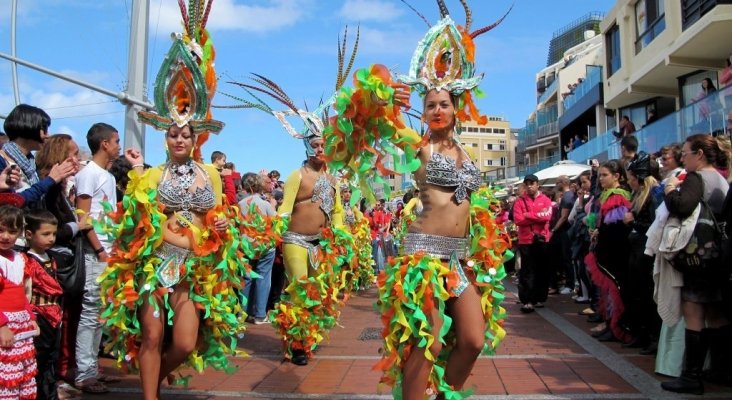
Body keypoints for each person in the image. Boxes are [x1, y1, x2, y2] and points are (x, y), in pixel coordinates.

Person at [324, 5, 511, 397]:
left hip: (459, 260)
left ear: (456, 108)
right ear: (423, 112)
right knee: (429, 344)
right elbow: (362, 115)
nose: (437, 110)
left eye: (444, 103)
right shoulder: (418, 145)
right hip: (423, 258)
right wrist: (383, 95)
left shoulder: (465, 152)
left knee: (474, 340)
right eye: (430, 105)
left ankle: (442, 395)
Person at [98, 6, 250, 399]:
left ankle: (154, 375)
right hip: (155, 266)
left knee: (182, 344)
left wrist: (219, 227)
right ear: (165, 136)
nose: (179, 140)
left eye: (185, 134)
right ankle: (150, 395)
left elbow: (217, 218)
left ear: (197, 134)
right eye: (172, 134)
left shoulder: (211, 174)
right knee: (151, 336)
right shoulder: (149, 176)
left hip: (194, 269)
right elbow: (133, 227)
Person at [224, 30, 358, 367]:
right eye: (313, 144)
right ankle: (297, 344)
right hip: (297, 241)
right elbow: (284, 210)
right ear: (306, 146)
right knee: (300, 290)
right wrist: (271, 232)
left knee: (320, 291)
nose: (319, 148)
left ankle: (308, 336)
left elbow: (338, 210)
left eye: (323, 143)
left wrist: (340, 236)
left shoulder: (332, 177)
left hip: (322, 243)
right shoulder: (298, 175)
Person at [660, 134, 731, 394]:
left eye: (687, 153)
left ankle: (691, 376)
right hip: (718, 256)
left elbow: (681, 205)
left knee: (694, 312)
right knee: (716, 313)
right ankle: (720, 370)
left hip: (699, 257)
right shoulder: (720, 179)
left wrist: (669, 190)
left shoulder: (697, 177)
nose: (683, 158)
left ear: (699, 154)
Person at [73, 122, 120, 394]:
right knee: (90, 314)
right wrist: (100, 250)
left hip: (108, 251)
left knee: (101, 314)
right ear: (104, 144)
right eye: (115, 141)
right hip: (95, 252)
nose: (118, 146)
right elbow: (83, 216)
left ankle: (93, 369)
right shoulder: (88, 173)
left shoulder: (108, 175)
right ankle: (84, 374)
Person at [585, 160, 633, 344]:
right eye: (601, 175)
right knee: (607, 291)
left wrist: (600, 231)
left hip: (615, 251)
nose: (601, 179)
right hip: (606, 249)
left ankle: (616, 327)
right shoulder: (606, 195)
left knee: (615, 290)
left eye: (605, 175)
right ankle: (610, 325)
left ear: (617, 176)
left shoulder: (617, 195)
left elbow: (616, 228)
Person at [24, 210, 67, 400]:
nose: (51, 238)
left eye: (54, 234)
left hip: (54, 316)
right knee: (38, 361)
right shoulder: (26, 261)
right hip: (37, 317)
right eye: (46, 234)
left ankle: (49, 394)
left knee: (51, 359)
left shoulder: (52, 258)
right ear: (29, 234)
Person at [0, 104, 77, 209]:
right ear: (29, 126)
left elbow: (38, 197)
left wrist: (58, 182)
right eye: (44, 129)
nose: (48, 135)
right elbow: (13, 202)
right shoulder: (2, 161)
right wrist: (51, 180)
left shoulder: (32, 165)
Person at [0, 204, 39, 399]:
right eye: (0, 230)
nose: (5, 236)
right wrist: (2, 326)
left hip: (21, 325)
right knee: (6, 379)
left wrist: (30, 317)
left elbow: (22, 293)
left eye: (12, 231)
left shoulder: (20, 258)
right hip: (4, 326)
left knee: (23, 376)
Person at [622, 153, 660, 351]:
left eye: (630, 178)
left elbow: (655, 224)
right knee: (638, 294)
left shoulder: (654, 194)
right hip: (637, 251)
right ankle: (642, 333)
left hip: (647, 252)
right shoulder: (639, 196)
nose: (628, 182)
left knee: (647, 295)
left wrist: (633, 221)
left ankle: (651, 337)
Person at [239, 172, 277, 325]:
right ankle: (260, 314)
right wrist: (274, 206)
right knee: (263, 277)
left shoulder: (240, 204)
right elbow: (277, 222)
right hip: (264, 245)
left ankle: (243, 312)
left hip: (245, 245)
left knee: (246, 279)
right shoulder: (265, 204)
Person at [514, 174, 552, 312]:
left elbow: (547, 216)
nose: (529, 186)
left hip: (542, 239)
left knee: (542, 270)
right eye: (527, 184)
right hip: (526, 240)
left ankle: (539, 298)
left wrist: (528, 215)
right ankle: (527, 300)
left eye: (532, 183)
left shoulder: (546, 200)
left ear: (537, 184)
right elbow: (518, 220)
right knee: (527, 271)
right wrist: (537, 217)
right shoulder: (519, 201)